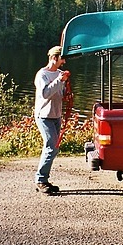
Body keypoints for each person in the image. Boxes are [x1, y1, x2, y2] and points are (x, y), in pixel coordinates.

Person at [33, 45, 71, 195]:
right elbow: (46, 93)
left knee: (53, 148)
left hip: (56, 115)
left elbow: (60, 93)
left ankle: (44, 180)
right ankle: (41, 180)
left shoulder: (61, 73)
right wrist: (59, 80)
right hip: (44, 116)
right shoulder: (42, 75)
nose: (64, 62)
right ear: (54, 58)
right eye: (62, 59)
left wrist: (66, 91)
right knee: (51, 147)